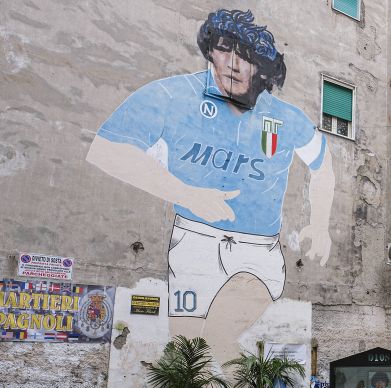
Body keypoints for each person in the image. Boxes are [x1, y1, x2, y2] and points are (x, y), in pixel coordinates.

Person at [87, 9, 335, 323]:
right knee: (188, 346)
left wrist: (321, 224)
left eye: (245, 55)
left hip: (258, 249)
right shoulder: (173, 95)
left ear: (260, 66)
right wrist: (186, 194)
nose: (233, 63)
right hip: (193, 240)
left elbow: (322, 161)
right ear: (210, 52)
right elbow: (107, 147)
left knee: (220, 340)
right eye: (224, 50)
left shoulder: (285, 116)